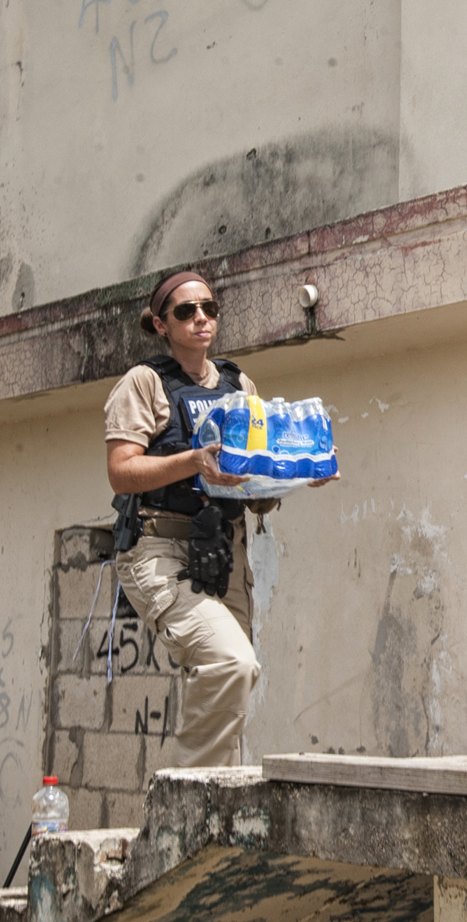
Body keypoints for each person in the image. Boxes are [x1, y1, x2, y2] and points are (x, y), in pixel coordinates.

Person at [102, 271, 335, 768]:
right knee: (231, 662)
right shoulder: (145, 383)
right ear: (162, 325)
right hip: (160, 547)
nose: (201, 318)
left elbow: (252, 479)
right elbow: (121, 473)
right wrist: (191, 461)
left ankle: (214, 812)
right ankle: (186, 798)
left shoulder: (238, 383)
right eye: (185, 311)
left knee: (231, 682)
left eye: (208, 308)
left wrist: (295, 474)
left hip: (224, 548)